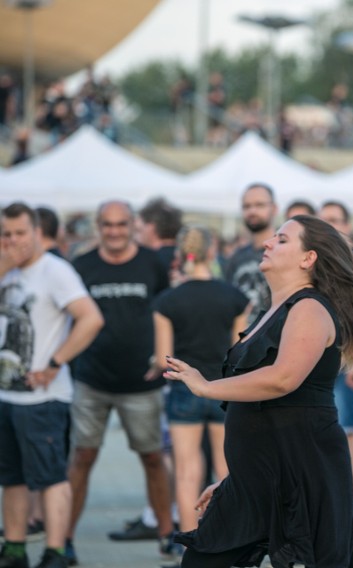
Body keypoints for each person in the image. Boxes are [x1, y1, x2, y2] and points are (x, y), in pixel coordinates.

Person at [162, 216, 353, 568]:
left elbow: (283, 379)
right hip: (261, 475)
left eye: (282, 240)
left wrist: (206, 386)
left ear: (308, 258)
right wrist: (235, 478)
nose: (267, 243)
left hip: (307, 473)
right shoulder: (272, 311)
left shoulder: (310, 307)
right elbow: (267, 410)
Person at [66, 201, 175, 565]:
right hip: (91, 378)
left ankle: (165, 535)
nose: (114, 231)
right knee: (81, 457)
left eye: (121, 224)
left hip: (141, 382)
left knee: (152, 458)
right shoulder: (82, 265)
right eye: (107, 225)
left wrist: (162, 359)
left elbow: (167, 311)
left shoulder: (153, 262)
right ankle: (62, 538)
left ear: (132, 225)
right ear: (98, 226)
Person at [0, 202, 103, 568]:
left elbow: (90, 319)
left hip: (44, 399)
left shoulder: (55, 271)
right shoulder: (6, 270)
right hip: (6, 394)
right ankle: (13, 547)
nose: (13, 241)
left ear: (36, 232)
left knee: (50, 476)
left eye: (20, 233)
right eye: (6, 234)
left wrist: (55, 363)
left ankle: (55, 551)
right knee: (10, 478)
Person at [151, 226, 250, 541]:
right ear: (212, 251)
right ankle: (229, 540)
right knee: (227, 470)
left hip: (183, 388)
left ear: (181, 254)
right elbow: (239, 349)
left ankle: (189, 543)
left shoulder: (167, 301)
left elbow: (161, 358)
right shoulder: (235, 297)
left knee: (186, 471)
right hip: (224, 389)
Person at [318, 200, 353, 532]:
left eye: (336, 220)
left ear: (348, 225)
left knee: (351, 434)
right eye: (325, 221)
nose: (332, 226)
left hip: (344, 360)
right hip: (317, 363)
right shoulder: (316, 262)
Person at [224, 183, 278, 323]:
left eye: (259, 205)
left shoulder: (284, 252)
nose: (252, 211)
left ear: (274, 208)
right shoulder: (237, 257)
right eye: (246, 206)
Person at [137, 198, 184, 274]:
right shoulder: (188, 258)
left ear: (150, 228)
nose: (136, 238)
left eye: (139, 231)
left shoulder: (149, 261)